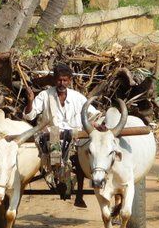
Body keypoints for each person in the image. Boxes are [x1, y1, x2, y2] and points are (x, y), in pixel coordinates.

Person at [23, 63, 101, 208]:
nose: (62, 83)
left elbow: (93, 113)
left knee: (83, 157)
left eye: (65, 80)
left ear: (70, 80)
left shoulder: (77, 97)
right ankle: (60, 181)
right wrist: (30, 100)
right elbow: (29, 115)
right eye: (59, 80)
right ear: (54, 80)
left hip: (76, 137)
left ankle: (78, 193)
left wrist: (94, 124)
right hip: (52, 136)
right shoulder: (45, 95)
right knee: (55, 149)